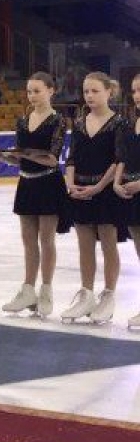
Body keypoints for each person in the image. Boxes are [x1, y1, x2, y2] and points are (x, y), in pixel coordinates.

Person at [62, 72, 127, 324]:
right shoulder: (79, 122)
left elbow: (118, 159)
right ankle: (87, 294)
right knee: (84, 244)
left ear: (109, 92)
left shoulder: (119, 123)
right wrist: (70, 183)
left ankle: (108, 296)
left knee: (108, 243)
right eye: (86, 91)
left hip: (106, 192)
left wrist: (99, 186)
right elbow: (71, 158)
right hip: (79, 190)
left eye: (95, 91)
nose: (89, 95)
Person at [1, 72, 67, 318]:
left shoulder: (58, 121)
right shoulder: (22, 121)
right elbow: (22, 158)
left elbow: (51, 157)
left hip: (49, 183)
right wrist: (5, 156)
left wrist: (22, 154)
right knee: (28, 241)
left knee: (46, 239)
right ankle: (28, 290)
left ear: (51, 90)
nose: (32, 96)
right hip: (26, 184)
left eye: (37, 91)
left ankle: (46, 290)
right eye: (29, 91)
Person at [115, 74, 140, 329]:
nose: (136, 95)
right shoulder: (133, 123)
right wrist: (116, 181)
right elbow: (123, 156)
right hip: (131, 193)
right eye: (134, 91)